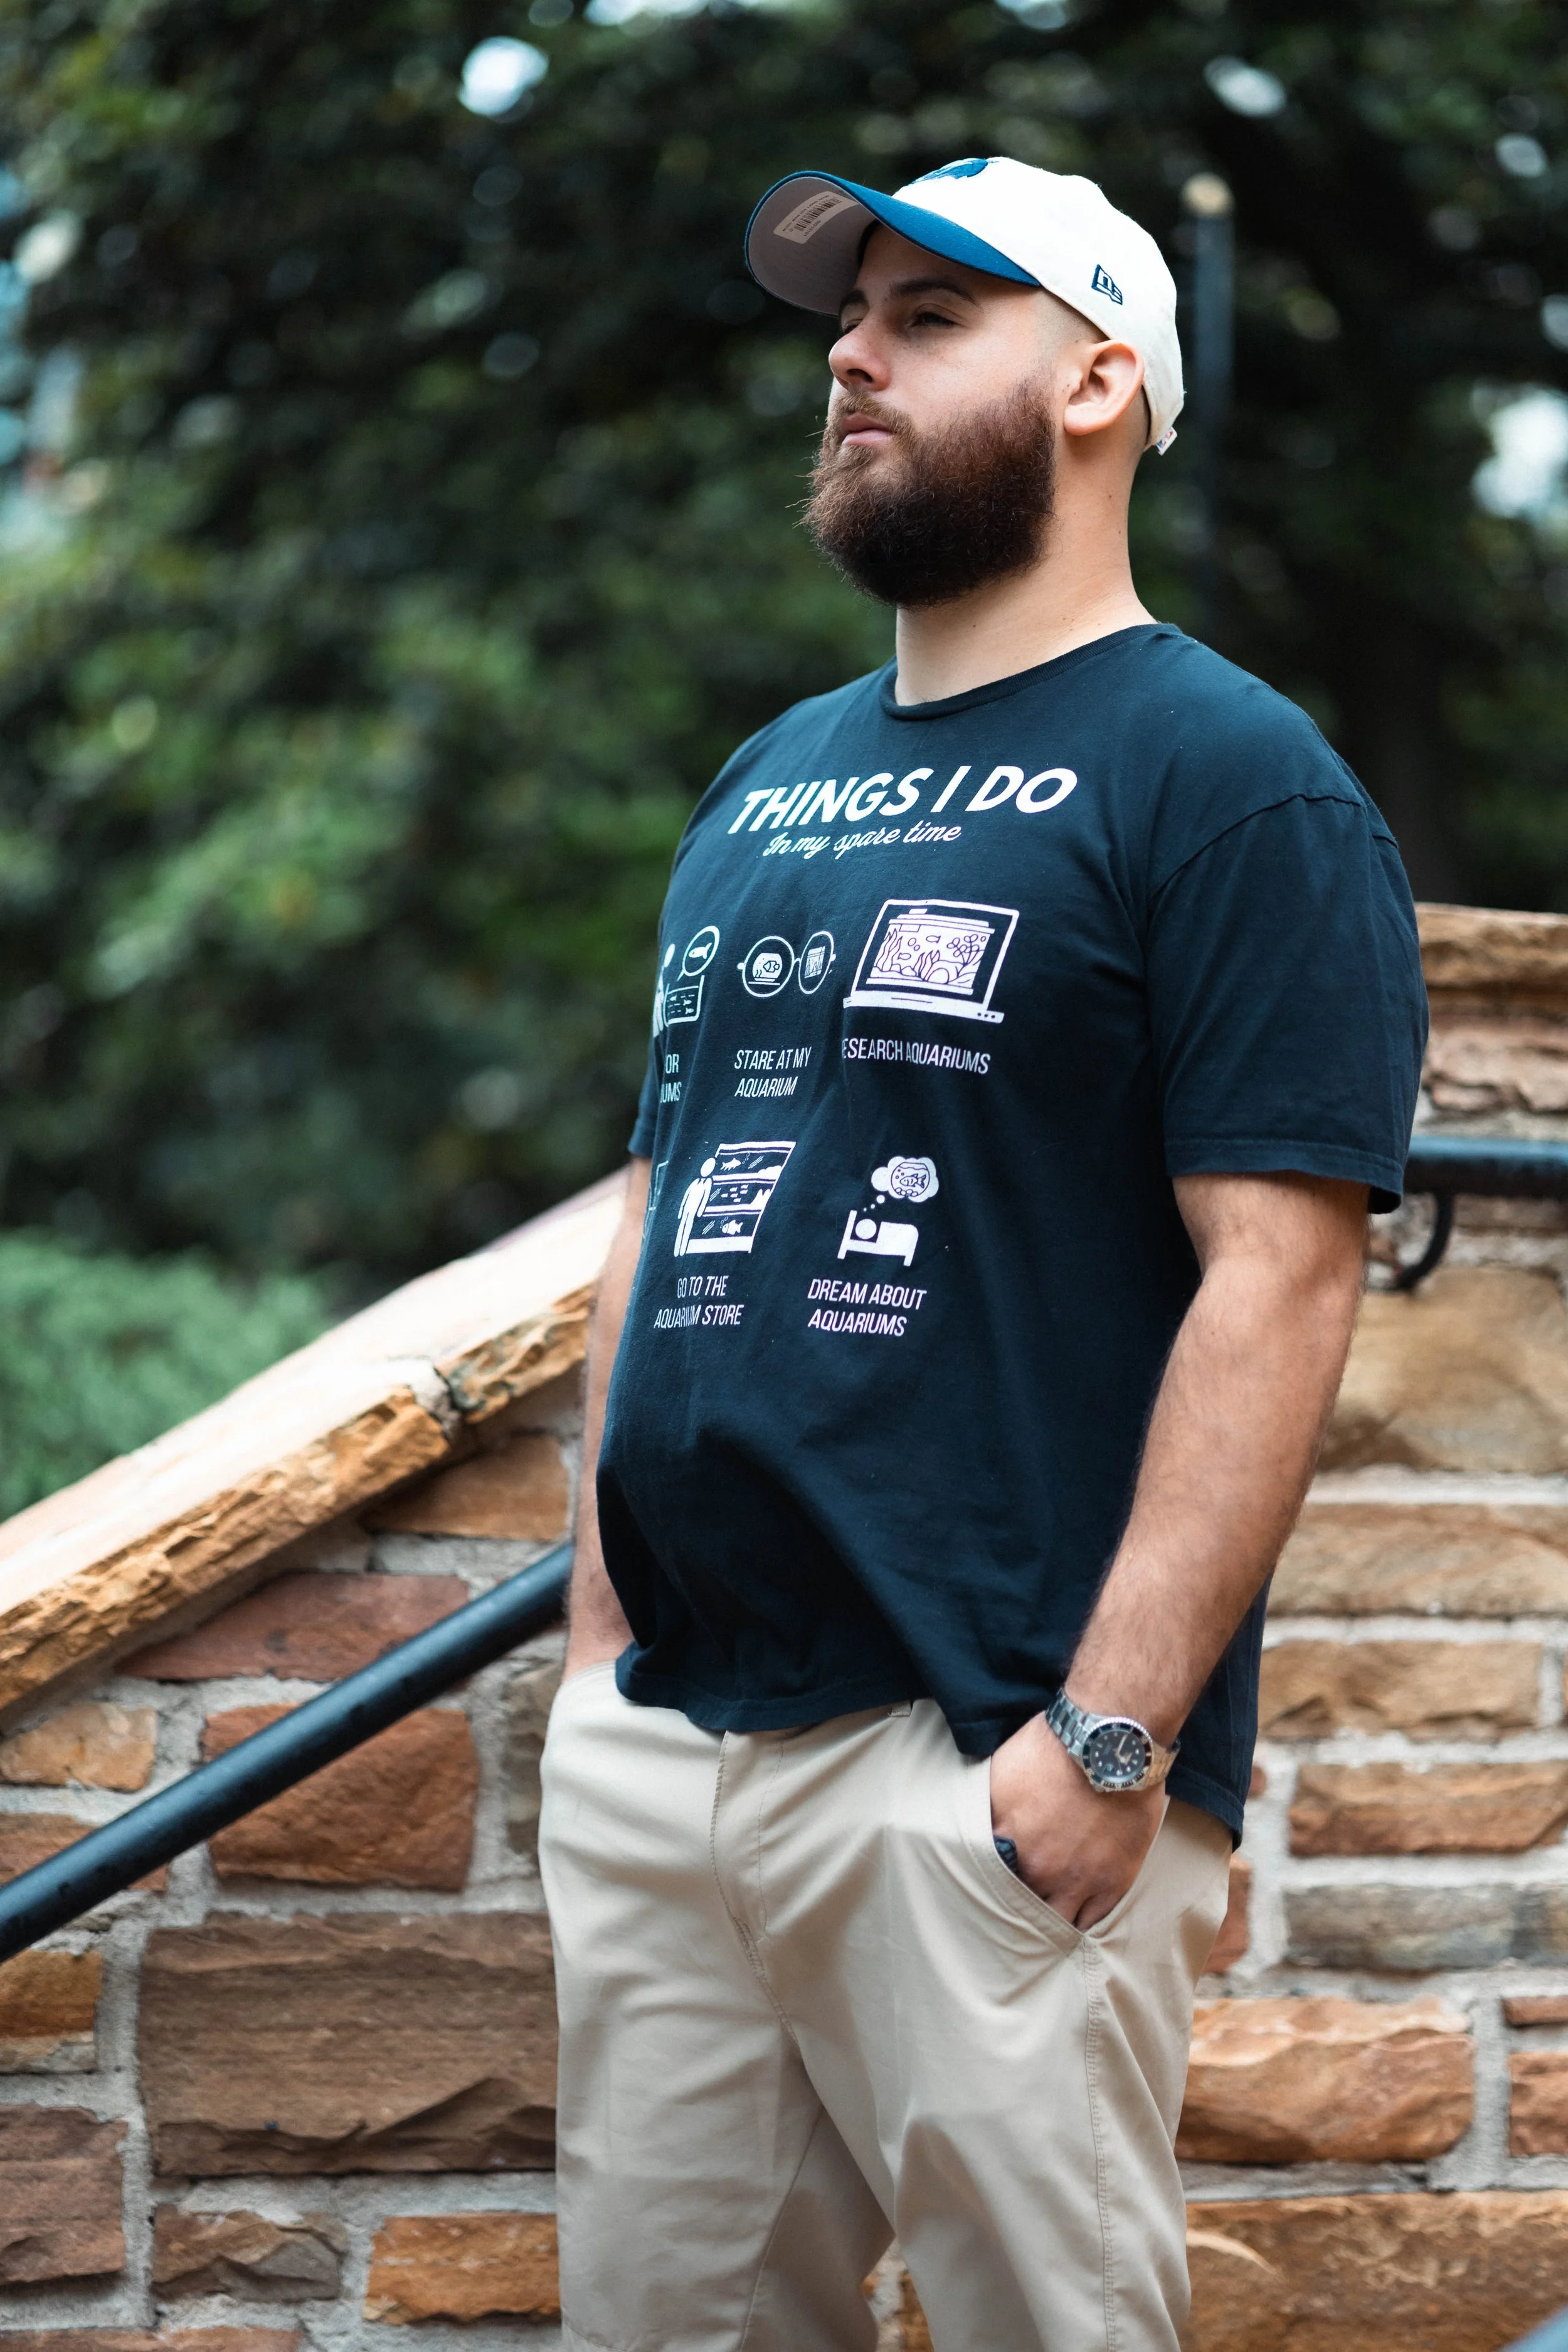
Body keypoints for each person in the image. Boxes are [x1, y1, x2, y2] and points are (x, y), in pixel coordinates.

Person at [539, 156, 1427, 2352]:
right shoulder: (763, 781)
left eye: (931, 317)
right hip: (672, 1746)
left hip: (982, 1755)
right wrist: (592, 1655)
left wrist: (1103, 1741)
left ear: (1098, 380)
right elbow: (664, 1203)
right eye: (850, 317)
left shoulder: (1231, 781)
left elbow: (1280, 1274)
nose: (851, 355)